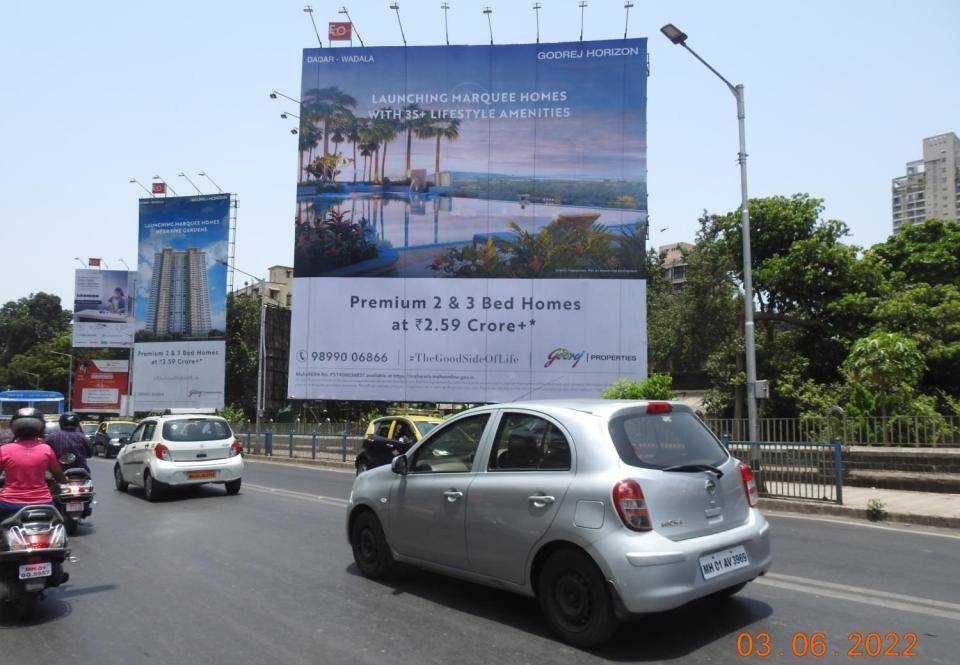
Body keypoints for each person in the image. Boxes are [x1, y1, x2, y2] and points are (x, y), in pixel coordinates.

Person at [0, 408, 68, 522]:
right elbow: (59, 476)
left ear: (14, 428)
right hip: (43, 503)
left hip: (9, 504)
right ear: (40, 429)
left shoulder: (4, 450)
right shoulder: (46, 449)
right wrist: (64, 479)